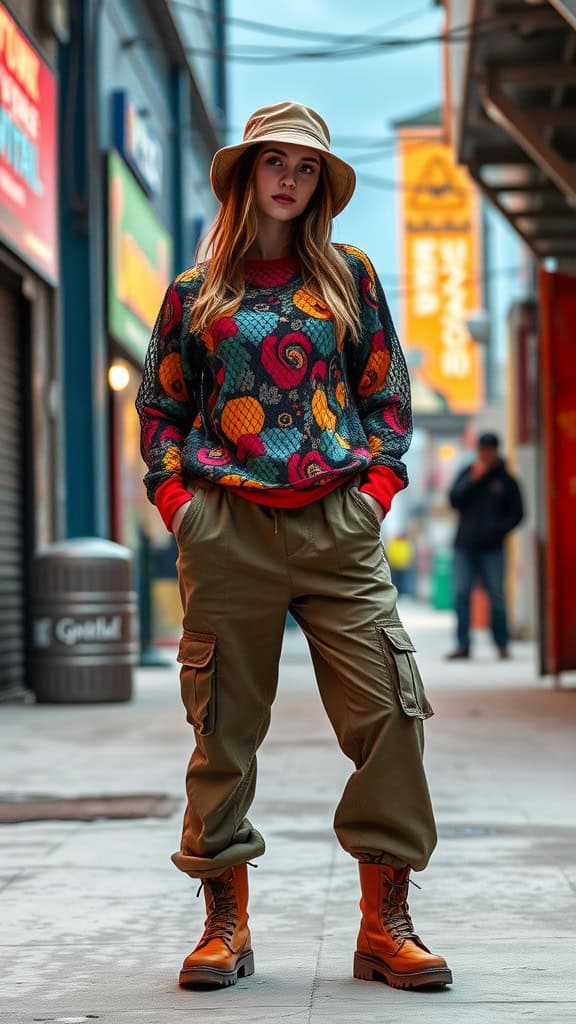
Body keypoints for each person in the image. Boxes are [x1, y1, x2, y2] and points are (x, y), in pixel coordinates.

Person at [136, 101, 451, 993]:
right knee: (224, 728)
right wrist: (178, 504)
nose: (287, 178)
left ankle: (383, 923)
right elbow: (160, 408)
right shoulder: (197, 293)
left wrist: (376, 494)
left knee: (390, 708)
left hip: (337, 529)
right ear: (244, 176)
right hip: (225, 524)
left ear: (320, 185)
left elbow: (387, 396)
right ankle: (222, 926)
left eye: (305, 167)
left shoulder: (349, 277)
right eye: (273, 162)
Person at [446, 432, 524, 660]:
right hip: (464, 547)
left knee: (497, 597)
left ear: (496, 451)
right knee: (461, 595)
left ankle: (502, 644)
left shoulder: (507, 480)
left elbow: (518, 513)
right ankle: (463, 646)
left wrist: (497, 531)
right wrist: (473, 480)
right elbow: (454, 500)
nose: (486, 454)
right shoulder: (468, 473)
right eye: (482, 450)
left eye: (490, 450)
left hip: (493, 549)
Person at [387, 532, 415, 596]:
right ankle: (396, 593)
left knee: (403, 581)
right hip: (395, 566)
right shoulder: (394, 543)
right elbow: (391, 554)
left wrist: (405, 563)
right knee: (396, 581)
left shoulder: (405, 544)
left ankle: (403, 594)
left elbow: (408, 554)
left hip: (403, 567)